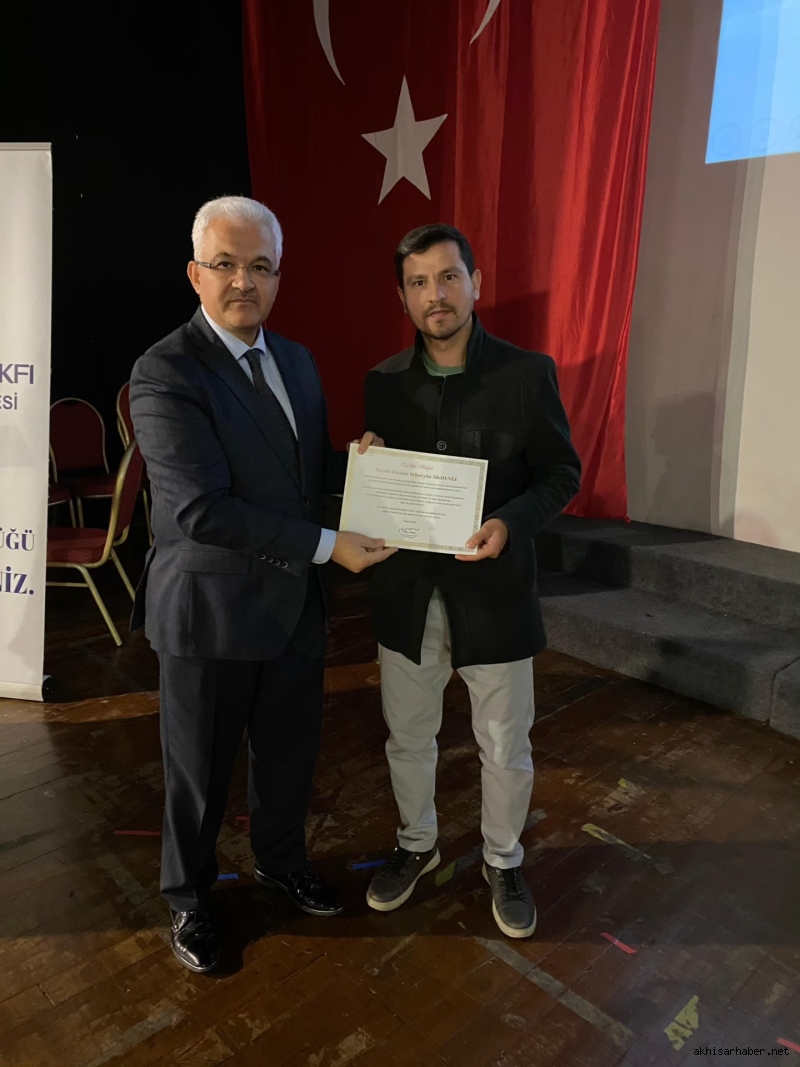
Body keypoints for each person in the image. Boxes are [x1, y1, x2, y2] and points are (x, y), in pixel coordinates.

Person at [130, 196, 394, 972]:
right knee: (198, 773)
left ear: (279, 277)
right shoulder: (165, 370)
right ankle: (188, 897)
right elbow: (201, 509)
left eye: (260, 266)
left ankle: (281, 861)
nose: (243, 280)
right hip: (209, 612)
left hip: (293, 604)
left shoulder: (298, 361)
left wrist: (363, 466)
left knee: (288, 754)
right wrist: (328, 545)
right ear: (195, 274)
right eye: (226, 264)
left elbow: (301, 478)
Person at [362, 224, 580, 938]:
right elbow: (381, 484)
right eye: (419, 282)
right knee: (407, 736)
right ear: (403, 297)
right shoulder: (383, 383)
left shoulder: (527, 373)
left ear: (476, 283)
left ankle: (504, 858)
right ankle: (417, 844)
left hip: (496, 597)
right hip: (407, 597)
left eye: (448, 277)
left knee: (505, 744)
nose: (436, 294)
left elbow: (561, 473)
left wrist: (511, 522)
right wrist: (366, 464)